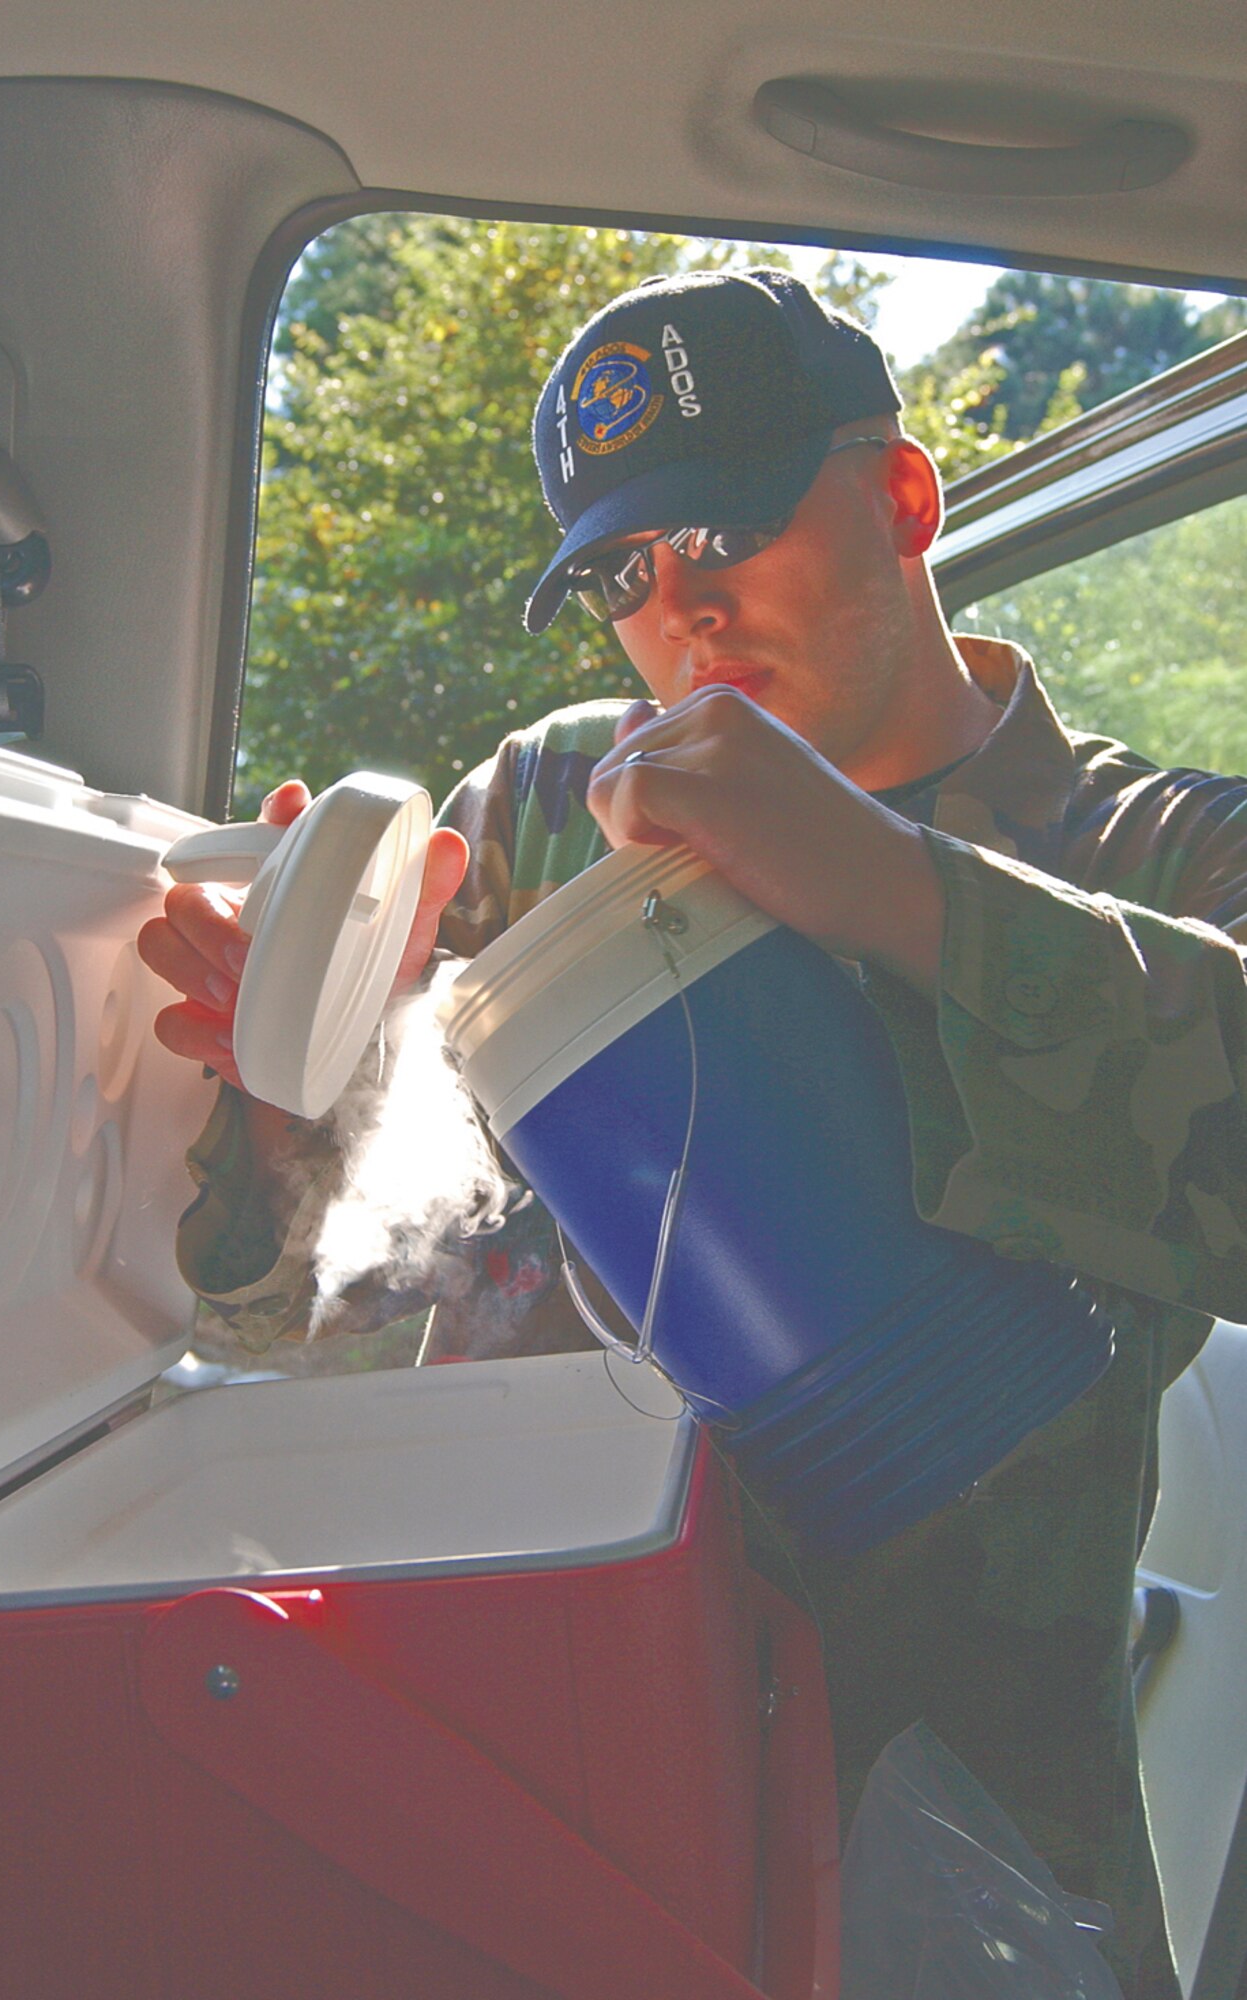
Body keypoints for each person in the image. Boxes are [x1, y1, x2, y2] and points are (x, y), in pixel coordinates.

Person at [139, 269, 1247, 1998]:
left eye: (724, 526)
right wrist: (287, 1082)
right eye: (618, 576)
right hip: (521, 1777)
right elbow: (283, 1297)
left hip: (964, 1832)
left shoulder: (1151, 850)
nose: (683, 612)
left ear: (900, 498)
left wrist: (900, 895)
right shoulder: (557, 803)